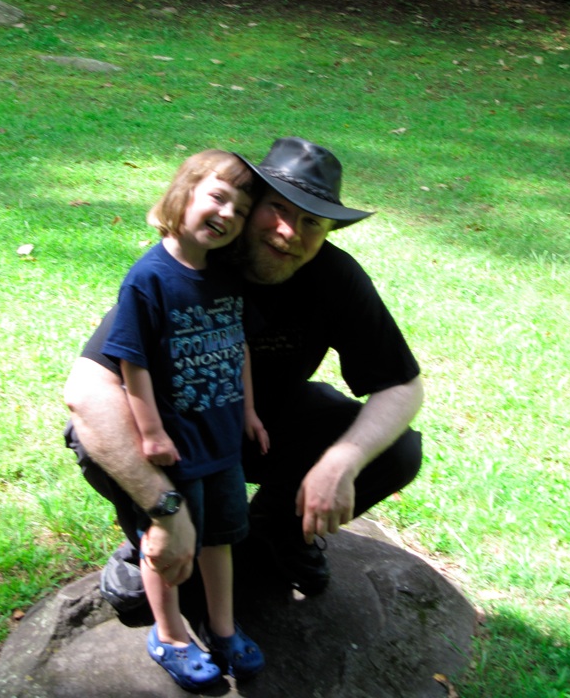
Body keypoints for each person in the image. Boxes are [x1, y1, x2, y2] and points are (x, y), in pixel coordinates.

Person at [64, 136, 424, 613]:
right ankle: (149, 538)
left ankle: (274, 532)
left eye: (311, 222)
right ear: (249, 206)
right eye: (277, 208)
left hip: (265, 431)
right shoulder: (190, 264)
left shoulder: (334, 277)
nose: (289, 232)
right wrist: (164, 510)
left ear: (326, 235)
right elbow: (88, 391)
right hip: (179, 440)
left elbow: (402, 385)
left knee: (397, 449)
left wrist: (341, 462)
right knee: (94, 436)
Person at [98, 149, 268, 690]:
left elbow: (236, 344)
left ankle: (222, 629)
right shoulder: (148, 278)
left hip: (222, 441)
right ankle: (169, 634)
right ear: (185, 193)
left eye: (239, 211)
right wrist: (149, 432)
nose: (226, 214)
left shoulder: (226, 278)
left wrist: (249, 410)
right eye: (217, 196)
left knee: (221, 537)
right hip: (179, 445)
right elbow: (132, 360)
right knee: (167, 542)